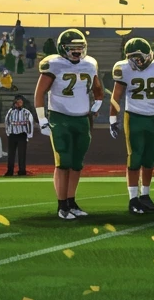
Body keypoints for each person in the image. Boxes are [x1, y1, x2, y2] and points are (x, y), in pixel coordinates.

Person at [35, 29, 104, 220]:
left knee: (77, 164)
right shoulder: (54, 64)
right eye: (72, 48)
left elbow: (98, 88)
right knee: (63, 162)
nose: (77, 51)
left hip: (82, 119)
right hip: (60, 117)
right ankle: (62, 206)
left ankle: (72, 202)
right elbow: (39, 93)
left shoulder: (89, 64)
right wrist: (42, 118)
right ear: (62, 48)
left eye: (80, 47)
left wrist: (98, 103)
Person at [109, 38, 154, 214]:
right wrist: (112, 119)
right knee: (135, 158)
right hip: (134, 117)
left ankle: (145, 196)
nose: (136, 61)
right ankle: (133, 199)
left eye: (139, 57)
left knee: (149, 158)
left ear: (149, 55)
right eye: (132, 58)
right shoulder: (124, 69)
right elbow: (116, 96)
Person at [4, 96, 34, 176]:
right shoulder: (10, 111)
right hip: (12, 134)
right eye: (17, 102)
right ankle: (10, 171)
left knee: (22, 154)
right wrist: (8, 132)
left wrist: (29, 134)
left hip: (22, 134)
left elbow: (30, 123)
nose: (18, 104)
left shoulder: (26, 112)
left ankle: (22, 171)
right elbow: (7, 122)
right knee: (11, 154)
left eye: (20, 102)